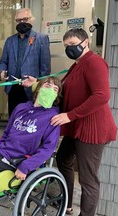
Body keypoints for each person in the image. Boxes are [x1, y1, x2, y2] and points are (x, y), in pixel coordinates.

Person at [0, 77, 62, 216]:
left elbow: (47, 150)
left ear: (56, 96)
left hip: (14, 159)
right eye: (47, 86)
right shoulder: (21, 107)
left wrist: (25, 166)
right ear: (38, 88)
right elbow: (8, 132)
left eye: (55, 90)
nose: (50, 90)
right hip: (1, 149)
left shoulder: (52, 117)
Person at [49, 28, 117, 216]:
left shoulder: (94, 62)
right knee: (63, 159)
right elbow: (62, 88)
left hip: (93, 129)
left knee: (88, 180)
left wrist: (70, 115)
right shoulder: (77, 64)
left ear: (85, 42)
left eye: (72, 44)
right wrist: (37, 84)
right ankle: (67, 203)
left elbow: (102, 95)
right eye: (66, 46)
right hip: (77, 127)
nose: (69, 49)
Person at [0, 8, 51, 116]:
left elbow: (45, 69)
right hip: (13, 89)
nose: (22, 22)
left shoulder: (41, 39)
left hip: (32, 90)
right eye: (19, 20)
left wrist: (40, 87)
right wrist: (2, 72)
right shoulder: (10, 40)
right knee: (14, 121)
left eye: (25, 19)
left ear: (32, 20)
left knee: (30, 123)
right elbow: (3, 61)